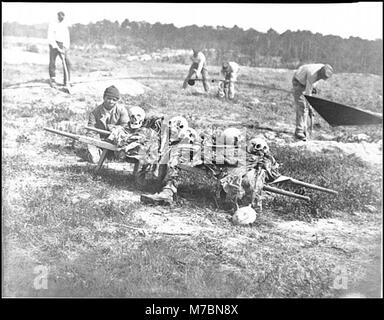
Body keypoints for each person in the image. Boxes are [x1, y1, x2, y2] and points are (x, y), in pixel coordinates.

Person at [86, 86, 129, 163]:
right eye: (108, 98)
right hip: (100, 141)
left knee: (122, 157)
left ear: (117, 101)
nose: (111, 101)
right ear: (104, 97)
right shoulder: (95, 112)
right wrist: (96, 141)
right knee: (94, 159)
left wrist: (115, 131)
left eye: (114, 100)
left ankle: (111, 154)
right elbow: (90, 131)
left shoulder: (122, 110)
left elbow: (126, 127)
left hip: (117, 141)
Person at [292, 63, 334, 141]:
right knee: (302, 106)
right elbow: (308, 95)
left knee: (306, 108)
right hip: (298, 81)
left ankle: (305, 129)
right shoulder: (312, 74)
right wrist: (311, 107)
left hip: (306, 80)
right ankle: (299, 131)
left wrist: (313, 87)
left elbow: (312, 84)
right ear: (320, 73)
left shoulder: (324, 68)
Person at [47, 11, 71, 88]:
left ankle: (67, 81)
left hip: (62, 45)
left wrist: (65, 47)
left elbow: (67, 37)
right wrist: (57, 48)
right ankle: (53, 80)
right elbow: (50, 37)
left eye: (63, 17)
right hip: (53, 44)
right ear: (57, 16)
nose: (62, 18)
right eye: (60, 16)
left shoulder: (64, 25)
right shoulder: (52, 24)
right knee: (52, 62)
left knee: (67, 62)